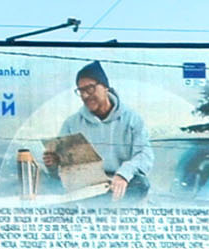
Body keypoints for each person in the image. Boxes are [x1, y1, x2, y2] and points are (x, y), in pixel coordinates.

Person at [48, 60, 152, 201]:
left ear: (105, 87)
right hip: (85, 186)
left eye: (89, 89)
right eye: (81, 91)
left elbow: (145, 155)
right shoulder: (71, 123)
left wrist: (123, 174)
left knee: (141, 183)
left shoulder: (132, 119)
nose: (85, 95)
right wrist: (53, 163)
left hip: (120, 183)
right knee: (51, 186)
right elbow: (62, 171)